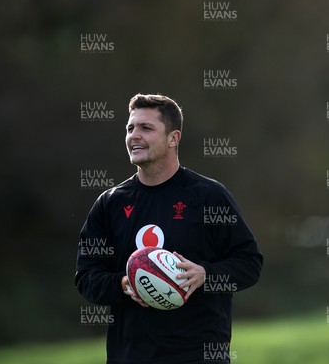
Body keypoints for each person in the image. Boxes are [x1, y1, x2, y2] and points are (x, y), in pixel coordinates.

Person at [75, 94, 263, 364]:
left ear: (173, 138)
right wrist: (124, 284)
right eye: (130, 128)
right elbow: (86, 276)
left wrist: (204, 274)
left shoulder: (208, 197)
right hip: (130, 356)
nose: (134, 136)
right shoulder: (111, 203)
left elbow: (250, 263)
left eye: (146, 128)